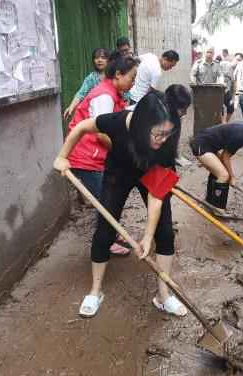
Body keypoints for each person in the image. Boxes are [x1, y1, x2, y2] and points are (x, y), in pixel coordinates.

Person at [54, 88, 192, 318]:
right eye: (157, 134)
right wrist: (62, 156)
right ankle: (95, 291)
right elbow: (82, 127)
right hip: (119, 173)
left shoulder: (166, 144)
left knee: (165, 231)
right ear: (141, 124)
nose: (163, 140)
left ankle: (163, 296)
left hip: (151, 172)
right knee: (105, 231)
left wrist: (147, 237)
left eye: (167, 134)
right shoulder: (118, 122)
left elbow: (156, 197)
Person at [68, 53, 139, 255]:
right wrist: (123, 151)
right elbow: (102, 135)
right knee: (105, 202)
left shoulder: (114, 94)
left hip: (96, 155)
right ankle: (105, 242)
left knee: (109, 198)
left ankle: (111, 232)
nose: (133, 83)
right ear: (118, 74)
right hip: (86, 156)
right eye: (131, 78)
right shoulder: (104, 96)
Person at [189, 113, 243, 214]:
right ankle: (217, 208)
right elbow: (226, 157)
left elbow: (224, 156)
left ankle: (210, 203)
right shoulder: (241, 134)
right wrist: (232, 177)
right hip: (201, 144)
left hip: (208, 145)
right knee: (224, 175)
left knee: (218, 173)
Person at [63, 48, 110, 120]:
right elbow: (80, 94)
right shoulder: (91, 78)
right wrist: (71, 107)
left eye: (103, 58)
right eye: (96, 58)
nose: (99, 60)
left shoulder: (113, 76)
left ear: (108, 60)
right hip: (95, 115)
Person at [220, 52, 243, 122]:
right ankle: (221, 124)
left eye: (240, 61)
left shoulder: (237, 72)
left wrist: (233, 99)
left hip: (226, 91)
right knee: (219, 108)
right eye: (237, 59)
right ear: (234, 58)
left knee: (231, 107)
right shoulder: (223, 64)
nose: (238, 62)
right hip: (217, 91)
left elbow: (234, 86)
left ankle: (225, 122)